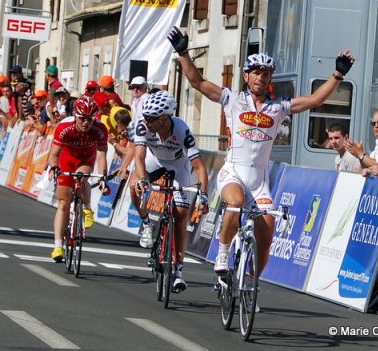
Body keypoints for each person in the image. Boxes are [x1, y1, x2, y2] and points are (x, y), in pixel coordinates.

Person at [167, 26, 354, 275]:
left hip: (260, 181)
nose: (261, 77)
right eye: (256, 72)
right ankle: (222, 254)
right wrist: (183, 52)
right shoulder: (231, 99)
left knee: (266, 236)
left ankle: (249, 284)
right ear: (246, 76)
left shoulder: (278, 107)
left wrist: (338, 74)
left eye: (266, 74)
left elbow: (315, 100)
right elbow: (197, 82)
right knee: (235, 203)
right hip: (233, 172)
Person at [129, 91, 209, 291]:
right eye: (145, 117)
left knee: (181, 215)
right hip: (153, 160)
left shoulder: (182, 130)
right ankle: (147, 225)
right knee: (134, 186)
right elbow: (139, 158)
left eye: (151, 119)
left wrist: (203, 194)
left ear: (164, 119)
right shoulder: (143, 126)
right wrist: (143, 181)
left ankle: (179, 269)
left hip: (178, 166)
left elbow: (199, 166)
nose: (146, 121)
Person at [47, 96, 109, 261]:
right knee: (63, 204)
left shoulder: (100, 129)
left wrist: (103, 176)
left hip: (85, 159)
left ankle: (87, 208)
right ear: (75, 115)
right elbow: (53, 154)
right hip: (67, 160)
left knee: (82, 178)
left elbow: (102, 156)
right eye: (82, 118)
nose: (86, 122)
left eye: (90, 119)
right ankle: (58, 246)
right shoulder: (64, 127)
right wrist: (54, 167)